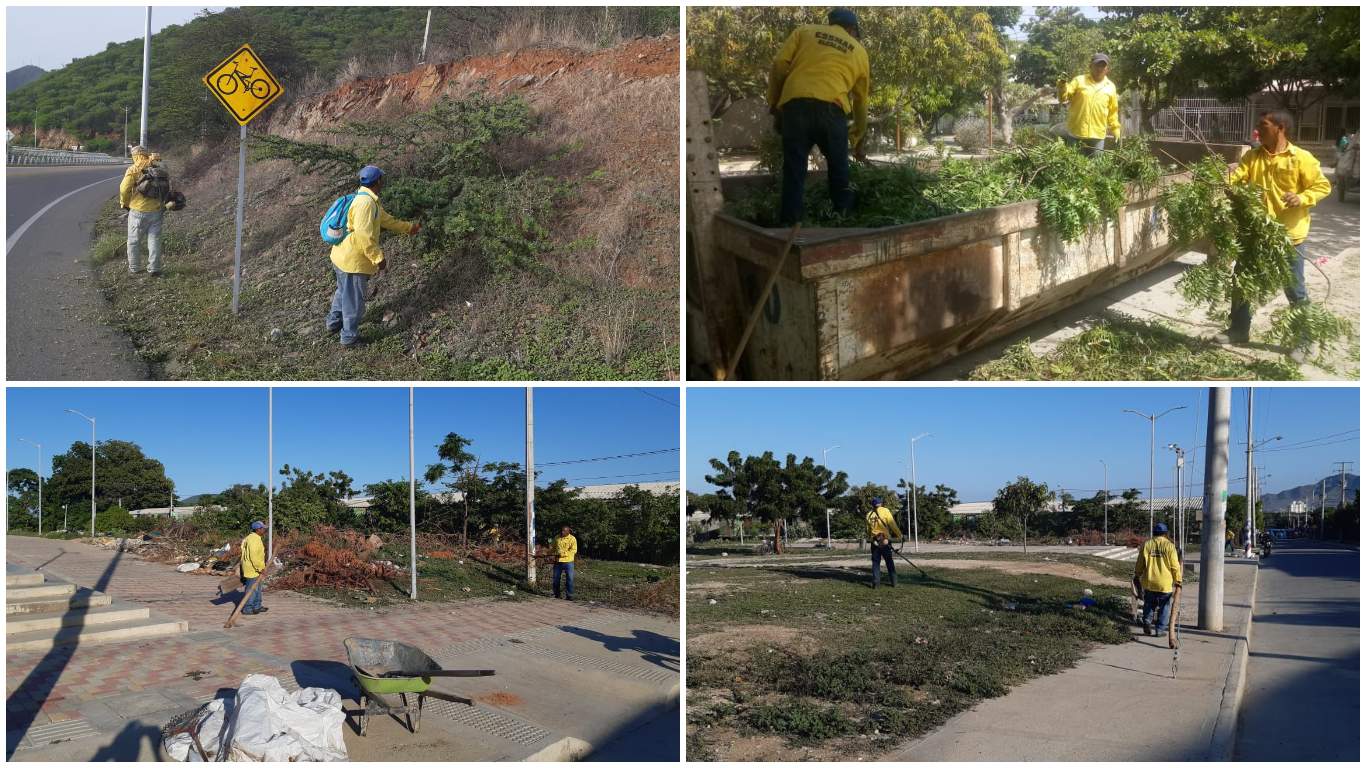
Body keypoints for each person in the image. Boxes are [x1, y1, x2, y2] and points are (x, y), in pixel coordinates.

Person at [1212, 110, 1331, 363]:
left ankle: (1304, 342)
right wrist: (1228, 186)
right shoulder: (1253, 157)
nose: (1257, 128)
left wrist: (1302, 197)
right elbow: (1236, 177)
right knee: (1242, 281)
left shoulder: (1301, 158)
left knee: (1295, 290)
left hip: (1288, 237)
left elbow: (1322, 186)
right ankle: (1239, 330)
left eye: (1263, 125)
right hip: (1256, 234)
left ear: (1280, 128)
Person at [766, 8, 870, 226]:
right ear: (852, 29)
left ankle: (790, 226)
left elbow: (779, 64)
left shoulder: (805, 31)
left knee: (794, 170)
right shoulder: (859, 51)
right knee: (839, 169)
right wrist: (856, 135)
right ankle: (843, 222)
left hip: (795, 107)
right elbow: (861, 99)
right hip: (832, 111)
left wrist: (775, 102)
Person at [327, 165, 420, 347]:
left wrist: (409, 228)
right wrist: (378, 258)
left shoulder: (365, 198)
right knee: (354, 301)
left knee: (343, 292)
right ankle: (349, 338)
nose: (382, 183)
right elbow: (364, 235)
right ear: (378, 182)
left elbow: (385, 220)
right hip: (352, 262)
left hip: (342, 255)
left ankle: (333, 323)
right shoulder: (366, 203)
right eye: (381, 180)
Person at [1055, 53, 1121, 156]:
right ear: (1090, 66)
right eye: (1097, 65)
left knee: (1096, 167)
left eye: (1103, 66)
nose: (1100, 68)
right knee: (1076, 166)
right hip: (1076, 132)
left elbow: (1113, 111)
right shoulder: (1079, 81)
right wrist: (1062, 85)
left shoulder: (1111, 87)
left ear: (1107, 69)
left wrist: (1115, 129)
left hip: (1097, 134)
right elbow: (1063, 98)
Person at [119, 146, 168, 275]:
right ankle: (154, 269)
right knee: (154, 240)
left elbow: (124, 189)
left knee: (134, 241)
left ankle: (134, 268)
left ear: (134, 156)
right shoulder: (158, 167)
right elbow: (168, 188)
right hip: (157, 211)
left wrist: (124, 204)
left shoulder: (133, 169)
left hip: (138, 212)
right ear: (145, 154)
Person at [1134, 523, 1181, 642]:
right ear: (1165, 533)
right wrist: (1178, 581)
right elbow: (1175, 566)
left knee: (1149, 603)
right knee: (1164, 606)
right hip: (1165, 583)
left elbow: (1140, 562)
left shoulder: (1146, 545)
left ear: (1153, 532)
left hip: (1150, 581)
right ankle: (1159, 630)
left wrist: (1137, 574)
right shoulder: (1169, 546)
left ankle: (1147, 620)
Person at [865, 498, 902, 589]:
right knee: (889, 561)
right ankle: (894, 582)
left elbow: (867, 530)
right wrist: (899, 535)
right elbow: (892, 524)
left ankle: (876, 583)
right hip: (885, 541)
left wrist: (870, 539)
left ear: (873, 505)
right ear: (881, 503)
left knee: (875, 563)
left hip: (875, 541)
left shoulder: (868, 514)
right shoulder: (885, 511)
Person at [239, 521, 269, 616]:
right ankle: (247, 608)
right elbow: (253, 556)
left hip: (254, 567)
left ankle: (257, 606)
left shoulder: (250, 538)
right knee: (252, 589)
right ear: (258, 530)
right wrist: (259, 568)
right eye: (263, 529)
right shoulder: (254, 540)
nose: (264, 530)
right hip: (252, 568)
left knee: (258, 588)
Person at [552, 525, 577, 600]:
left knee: (570, 578)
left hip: (568, 562)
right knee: (556, 578)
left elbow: (573, 550)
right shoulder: (557, 537)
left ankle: (569, 594)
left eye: (564, 531)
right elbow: (554, 547)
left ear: (568, 531)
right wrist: (546, 554)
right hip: (558, 562)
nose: (562, 532)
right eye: (561, 530)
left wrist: (563, 554)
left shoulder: (572, 539)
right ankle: (557, 594)